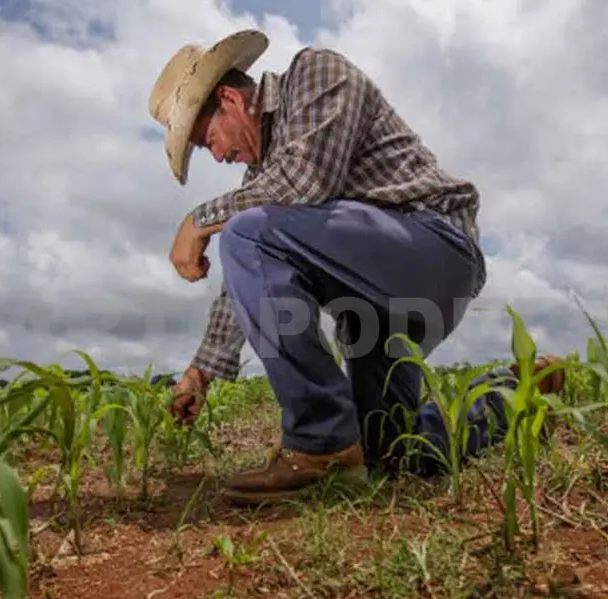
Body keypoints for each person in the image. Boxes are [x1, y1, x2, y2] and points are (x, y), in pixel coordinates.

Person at [148, 29, 564, 503]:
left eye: (208, 140)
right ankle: (514, 395)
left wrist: (198, 220)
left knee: (244, 230)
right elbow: (250, 275)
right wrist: (198, 374)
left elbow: (305, 182)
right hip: (374, 309)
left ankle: (318, 443)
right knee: (389, 450)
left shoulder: (316, 72)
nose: (218, 155)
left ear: (230, 100)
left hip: (433, 250)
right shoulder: (259, 183)